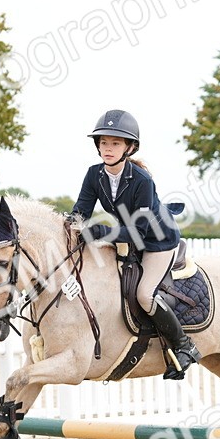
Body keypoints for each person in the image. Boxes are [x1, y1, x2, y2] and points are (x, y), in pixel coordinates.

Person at [70, 109, 200, 380]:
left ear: (129, 147)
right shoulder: (94, 175)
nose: (108, 148)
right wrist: (68, 227)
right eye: (104, 142)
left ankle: (183, 346)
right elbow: (80, 211)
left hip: (156, 241)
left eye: (115, 143)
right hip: (129, 237)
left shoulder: (142, 180)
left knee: (144, 295)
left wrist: (103, 230)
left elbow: (140, 229)